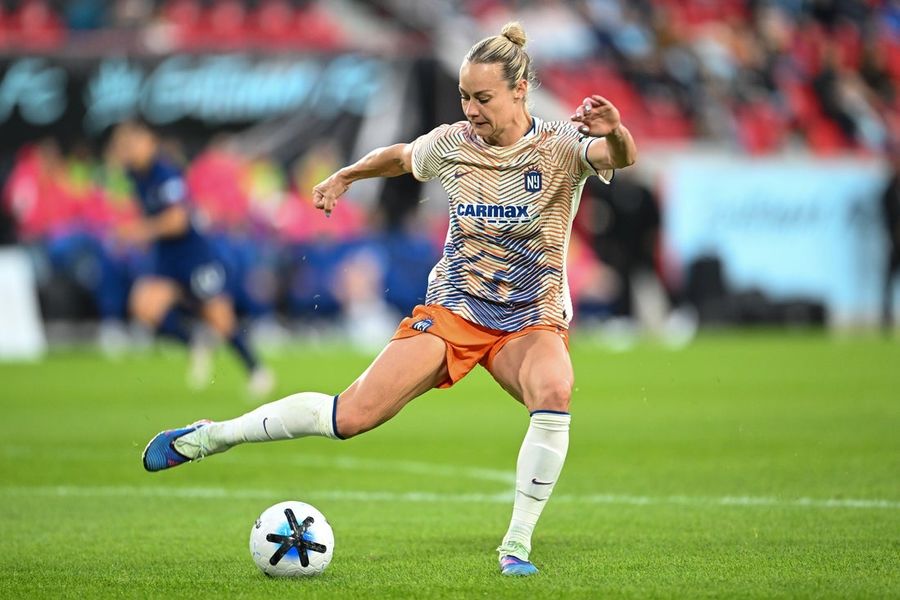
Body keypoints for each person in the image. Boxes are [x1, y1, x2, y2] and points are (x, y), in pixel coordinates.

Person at [141, 22, 636, 576]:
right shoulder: (453, 144)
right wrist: (345, 176)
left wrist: (614, 131)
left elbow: (620, 156)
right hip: (454, 311)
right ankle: (211, 436)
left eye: (483, 98)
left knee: (555, 388)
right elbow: (400, 156)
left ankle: (516, 545)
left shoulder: (560, 146)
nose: (471, 109)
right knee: (350, 416)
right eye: (464, 97)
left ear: (520, 92)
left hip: (531, 319)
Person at [109, 121, 274, 397]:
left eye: (135, 143)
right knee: (144, 308)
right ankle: (195, 340)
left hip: (195, 256)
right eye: (125, 144)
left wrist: (138, 232)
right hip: (167, 256)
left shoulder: (166, 174)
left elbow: (178, 221)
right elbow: (114, 160)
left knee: (221, 319)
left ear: (151, 142)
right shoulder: (136, 174)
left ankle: (257, 370)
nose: (129, 149)